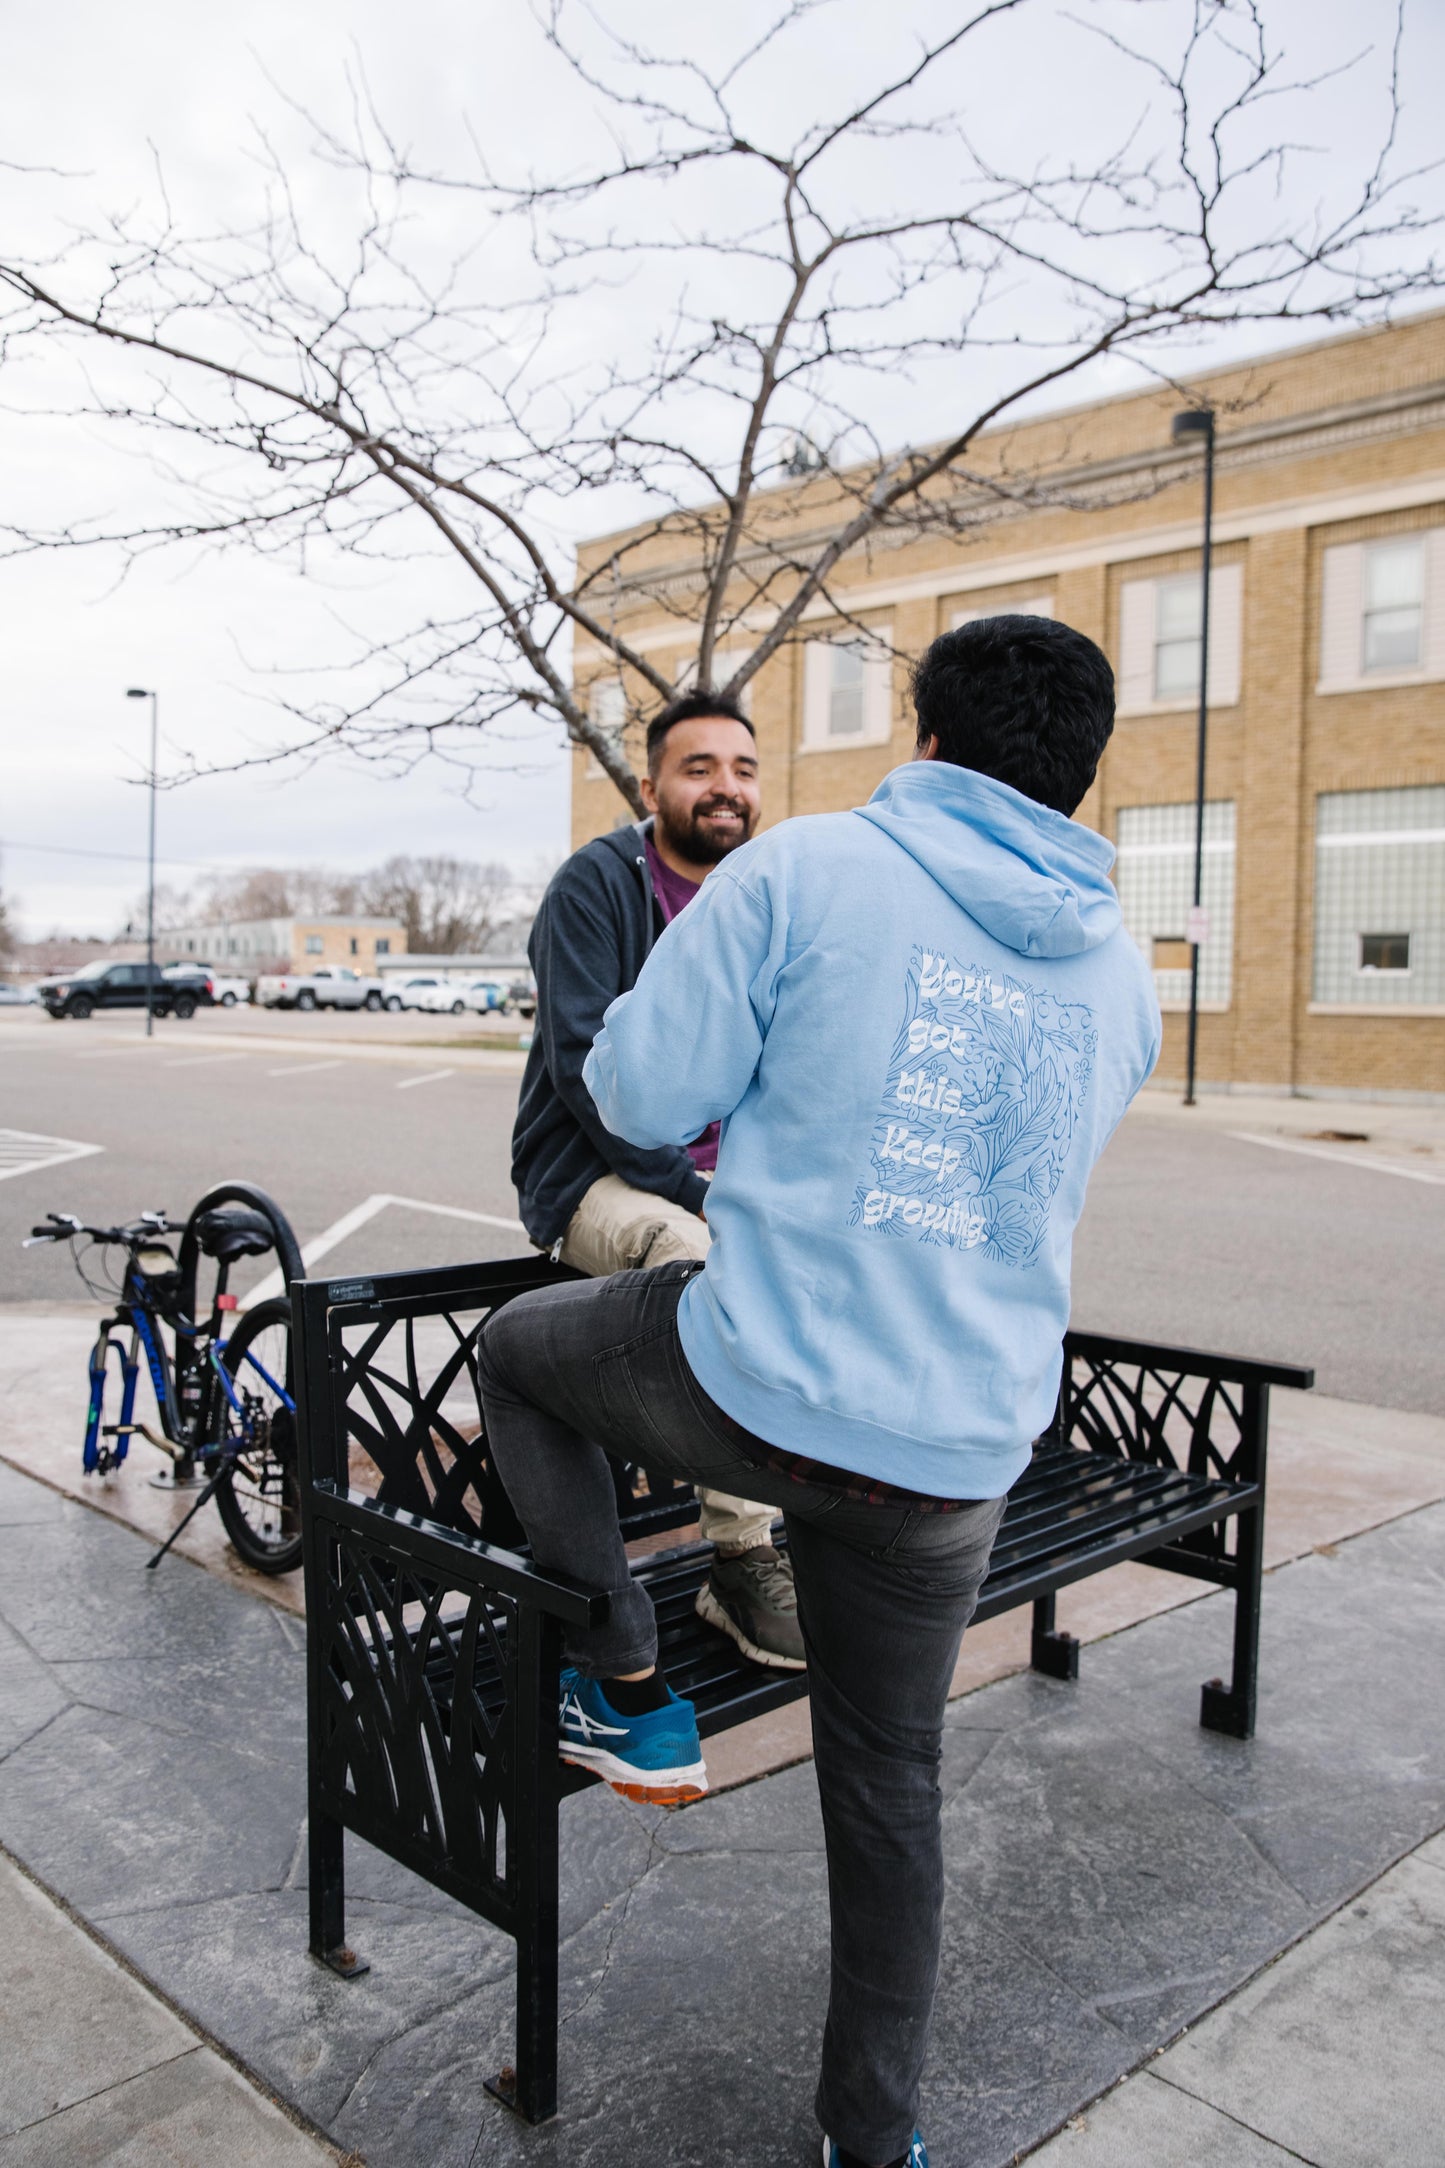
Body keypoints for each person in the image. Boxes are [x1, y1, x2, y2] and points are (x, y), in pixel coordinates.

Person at [478, 616, 1161, 2168]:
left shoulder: (805, 869)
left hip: (763, 1387)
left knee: (520, 1357)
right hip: (963, 1447)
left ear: (922, 740)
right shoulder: (1120, 978)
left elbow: (637, 1093)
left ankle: (626, 1685)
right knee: (889, 1780)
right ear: (1078, 774)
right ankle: (875, 2138)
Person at [511, 688, 803, 1668]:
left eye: (742, 768)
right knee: (701, 1251)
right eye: (698, 767)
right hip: (593, 1178)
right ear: (651, 785)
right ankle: (740, 1555)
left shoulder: (758, 892)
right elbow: (583, 1070)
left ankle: (847, 1513)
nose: (724, 786)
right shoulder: (594, 888)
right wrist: (698, 1188)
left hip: (724, 1175)